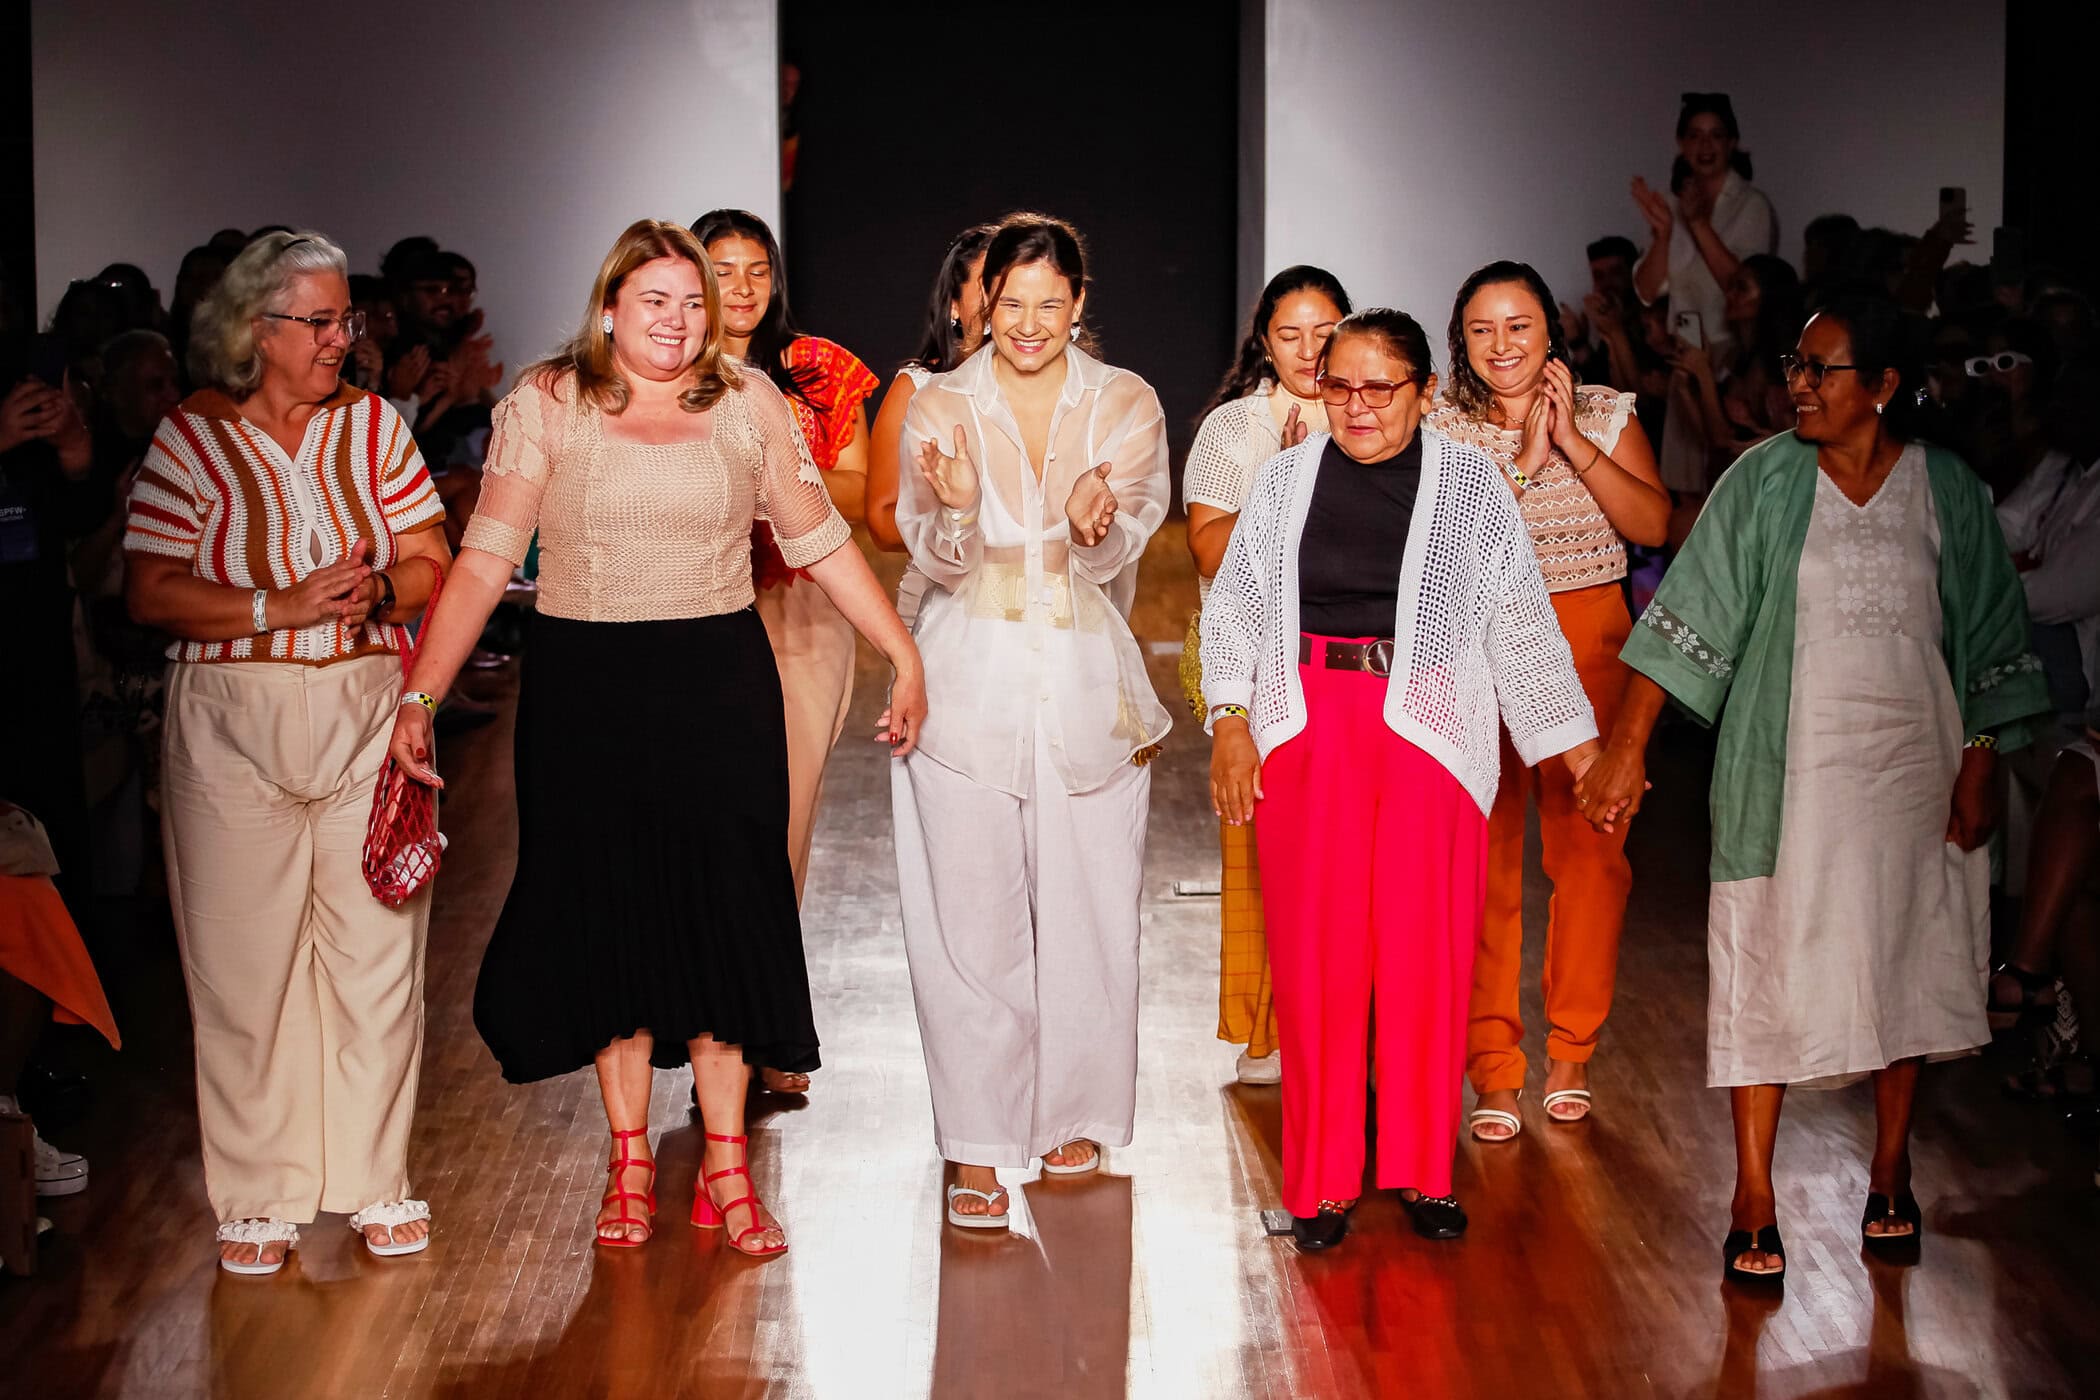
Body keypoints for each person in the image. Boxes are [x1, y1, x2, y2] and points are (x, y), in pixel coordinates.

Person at [388, 219, 924, 1256]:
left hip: (717, 683)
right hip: (585, 689)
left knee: (726, 910)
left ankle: (727, 1165)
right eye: (654, 302)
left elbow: (817, 536)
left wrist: (902, 651)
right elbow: (486, 556)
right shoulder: (548, 402)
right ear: (609, 309)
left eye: (691, 303)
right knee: (610, 912)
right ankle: (628, 1160)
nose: (676, 322)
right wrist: (421, 696)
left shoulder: (748, 400)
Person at [1580, 294, 2052, 1283]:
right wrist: (1625, 745)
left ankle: (1890, 1168)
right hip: (1787, 769)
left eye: (1818, 369)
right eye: (1794, 365)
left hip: (1914, 770)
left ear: (1881, 386)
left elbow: (1990, 631)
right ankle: (1754, 1193)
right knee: (1767, 960)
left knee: (1903, 953)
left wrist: (1979, 756)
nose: (1795, 384)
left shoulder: (1948, 490)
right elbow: (1687, 618)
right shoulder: (1763, 480)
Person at [1203, 308, 1603, 1251]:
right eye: (1338, 385)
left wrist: (1582, 751)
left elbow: (1518, 620)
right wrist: (1231, 721)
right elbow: (1236, 608)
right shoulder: (1285, 481)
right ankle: (1323, 1181)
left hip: (1430, 728)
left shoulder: (1469, 485)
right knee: (1317, 960)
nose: (1358, 405)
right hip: (1306, 728)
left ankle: (1424, 1167)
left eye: (1380, 387)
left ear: (1423, 392)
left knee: (1427, 954)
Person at [122, 230, 454, 1274]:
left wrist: (381, 591)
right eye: (316, 321)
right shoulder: (190, 436)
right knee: (242, 965)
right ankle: (259, 1193)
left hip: (362, 705)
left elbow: (432, 558)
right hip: (231, 718)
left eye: (342, 318)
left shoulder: (373, 426)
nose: (338, 338)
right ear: (253, 330)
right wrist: (280, 603)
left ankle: (374, 1178)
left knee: (376, 957)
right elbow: (150, 590)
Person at [893, 214, 1171, 1231]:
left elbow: (1122, 548)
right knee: (969, 920)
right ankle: (975, 1141)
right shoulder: (941, 402)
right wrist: (961, 509)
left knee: (1092, 906)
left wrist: (1097, 524)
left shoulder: (1125, 400)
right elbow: (932, 554)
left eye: (1050, 304)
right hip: (966, 677)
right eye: (1011, 302)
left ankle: (1074, 1113)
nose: (1028, 323)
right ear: (981, 301)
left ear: (1079, 303)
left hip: (1086, 678)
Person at [1426, 261, 1668, 1141]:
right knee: (1482, 864)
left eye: (1519, 325)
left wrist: (1571, 442)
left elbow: (1651, 526)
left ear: (1550, 334)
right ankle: (1494, 1066)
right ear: (1461, 341)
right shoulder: (1441, 425)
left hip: (1589, 637)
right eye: (1482, 329)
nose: (1502, 345)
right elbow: (1449, 548)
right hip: (1476, 644)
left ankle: (1573, 1051)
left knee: (1592, 854)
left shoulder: (1605, 411)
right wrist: (1525, 467)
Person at [1183, 264, 1352, 1086]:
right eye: (1291, 334)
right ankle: (1269, 1030)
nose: (1310, 350)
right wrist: (1288, 483)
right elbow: (1208, 552)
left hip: (1357, 664)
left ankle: (1351, 1027)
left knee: (1350, 857)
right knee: (1267, 848)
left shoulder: (1381, 414)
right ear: (1265, 343)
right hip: (1258, 665)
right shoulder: (1237, 428)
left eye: (1326, 332)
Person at [694, 210, 879, 909]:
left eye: (758, 271)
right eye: (723, 272)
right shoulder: (664, 371)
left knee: (785, 806)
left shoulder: (820, 368)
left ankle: (761, 967)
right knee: (699, 808)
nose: (743, 288)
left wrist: (771, 476)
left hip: (801, 605)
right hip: (689, 605)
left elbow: (859, 493)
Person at [1631, 92, 1778, 540]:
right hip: (1685, 359)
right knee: (1685, 494)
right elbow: (1646, 291)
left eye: (1715, 135)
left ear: (1732, 142)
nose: (1705, 145)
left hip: (1732, 360)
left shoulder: (1750, 203)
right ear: (1680, 143)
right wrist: (1663, 234)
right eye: (1695, 135)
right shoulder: (1675, 204)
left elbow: (1745, 283)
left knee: (1728, 491)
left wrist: (1698, 224)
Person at [867, 222, 999, 560]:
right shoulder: (917, 388)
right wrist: (963, 517)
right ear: (954, 305)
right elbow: (882, 521)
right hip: (953, 582)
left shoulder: (1063, 389)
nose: (1003, 305)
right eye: (989, 288)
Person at [1671, 254, 1804, 474]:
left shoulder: (1784, 366)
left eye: (1742, 288)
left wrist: (1704, 375)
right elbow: (1711, 439)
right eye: (1730, 286)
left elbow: (1725, 439)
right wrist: (1685, 386)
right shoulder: (1734, 355)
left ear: (1770, 297)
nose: (1729, 295)